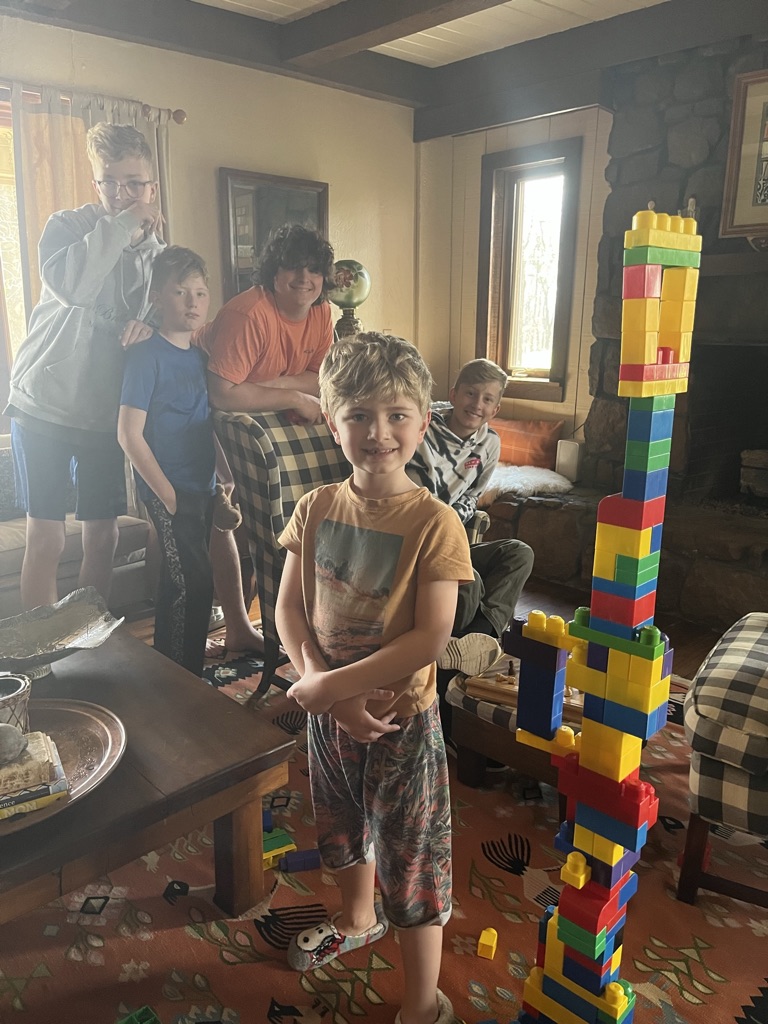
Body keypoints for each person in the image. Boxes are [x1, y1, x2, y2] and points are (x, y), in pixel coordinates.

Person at [275, 333, 473, 1024]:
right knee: (340, 827)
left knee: (411, 858)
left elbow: (430, 636)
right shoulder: (315, 507)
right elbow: (288, 608)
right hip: (330, 716)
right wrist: (321, 684)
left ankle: (422, 1004)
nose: (377, 432)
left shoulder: (435, 524)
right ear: (333, 424)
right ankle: (358, 918)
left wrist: (332, 690)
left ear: (423, 422)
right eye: (358, 415)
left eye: (395, 415)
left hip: (400, 725)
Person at [6, 123, 164, 610]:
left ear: (152, 187)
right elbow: (74, 288)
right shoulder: (67, 228)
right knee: (47, 538)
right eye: (109, 182)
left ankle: (90, 639)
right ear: (95, 183)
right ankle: (46, 648)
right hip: (43, 405)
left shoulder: (159, 256)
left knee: (103, 538)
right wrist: (121, 224)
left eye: (133, 183)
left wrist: (149, 327)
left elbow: (170, 317)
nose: (121, 194)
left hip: (102, 414)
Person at [193, 223, 337, 654]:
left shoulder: (322, 313)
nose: (304, 278)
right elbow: (223, 393)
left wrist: (271, 385)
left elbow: (322, 378)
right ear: (274, 272)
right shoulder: (249, 314)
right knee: (218, 514)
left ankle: (264, 621)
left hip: (251, 402)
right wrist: (290, 394)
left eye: (314, 269)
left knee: (265, 519)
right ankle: (223, 625)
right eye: (293, 267)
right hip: (197, 400)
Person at [118, 246, 222, 677]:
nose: (192, 302)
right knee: (195, 584)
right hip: (169, 487)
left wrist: (224, 478)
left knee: (178, 581)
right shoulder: (146, 355)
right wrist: (167, 495)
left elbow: (206, 422)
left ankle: (168, 667)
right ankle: (186, 679)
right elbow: (128, 433)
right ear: (158, 297)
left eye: (200, 293)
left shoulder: (200, 357)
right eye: (180, 292)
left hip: (202, 485)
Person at [407, 358, 534, 679]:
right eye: (470, 393)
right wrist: (443, 529)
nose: (477, 404)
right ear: (454, 394)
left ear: (495, 409)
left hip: (451, 539)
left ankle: (478, 638)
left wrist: (452, 530)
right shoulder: (421, 429)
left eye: (487, 399)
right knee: (470, 581)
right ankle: (461, 650)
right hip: (416, 540)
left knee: (519, 553)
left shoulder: (489, 443)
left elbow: (471, 498)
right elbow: (406, 493)